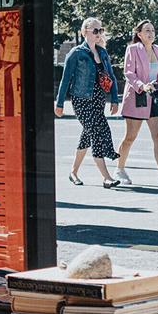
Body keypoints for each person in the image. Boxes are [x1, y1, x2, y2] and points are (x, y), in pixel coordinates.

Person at [54, 16, 122, 188]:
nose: (99, 34)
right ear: (85, 32)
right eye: (95, 30)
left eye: (101, 30)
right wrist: (59, 103)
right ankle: (106, 177)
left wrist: (114, 99)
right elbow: (65, 79)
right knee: (96, 133)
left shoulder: (103, 53)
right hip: (81, 99)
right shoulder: (76, 53)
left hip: (98, 100)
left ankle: (73, 172)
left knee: (87, 135)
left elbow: (111, 77)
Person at [115, 20, 158, 185]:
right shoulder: (132, 49)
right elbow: (129, 73)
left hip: (155, 96)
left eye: (152, 30)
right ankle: (120, 169)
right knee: (130, 137)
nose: (151, 33)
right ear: (139, 34)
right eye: (147, 30)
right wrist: (141, 86)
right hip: (137, 96)